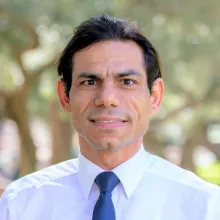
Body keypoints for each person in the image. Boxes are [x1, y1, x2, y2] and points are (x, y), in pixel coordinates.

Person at [0, 14, 219, 220]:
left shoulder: (203, 207)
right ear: (64, 96)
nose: (107, 99)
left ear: (154, 96)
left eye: (127, 82)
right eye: (90, 82)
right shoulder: (21, 204)